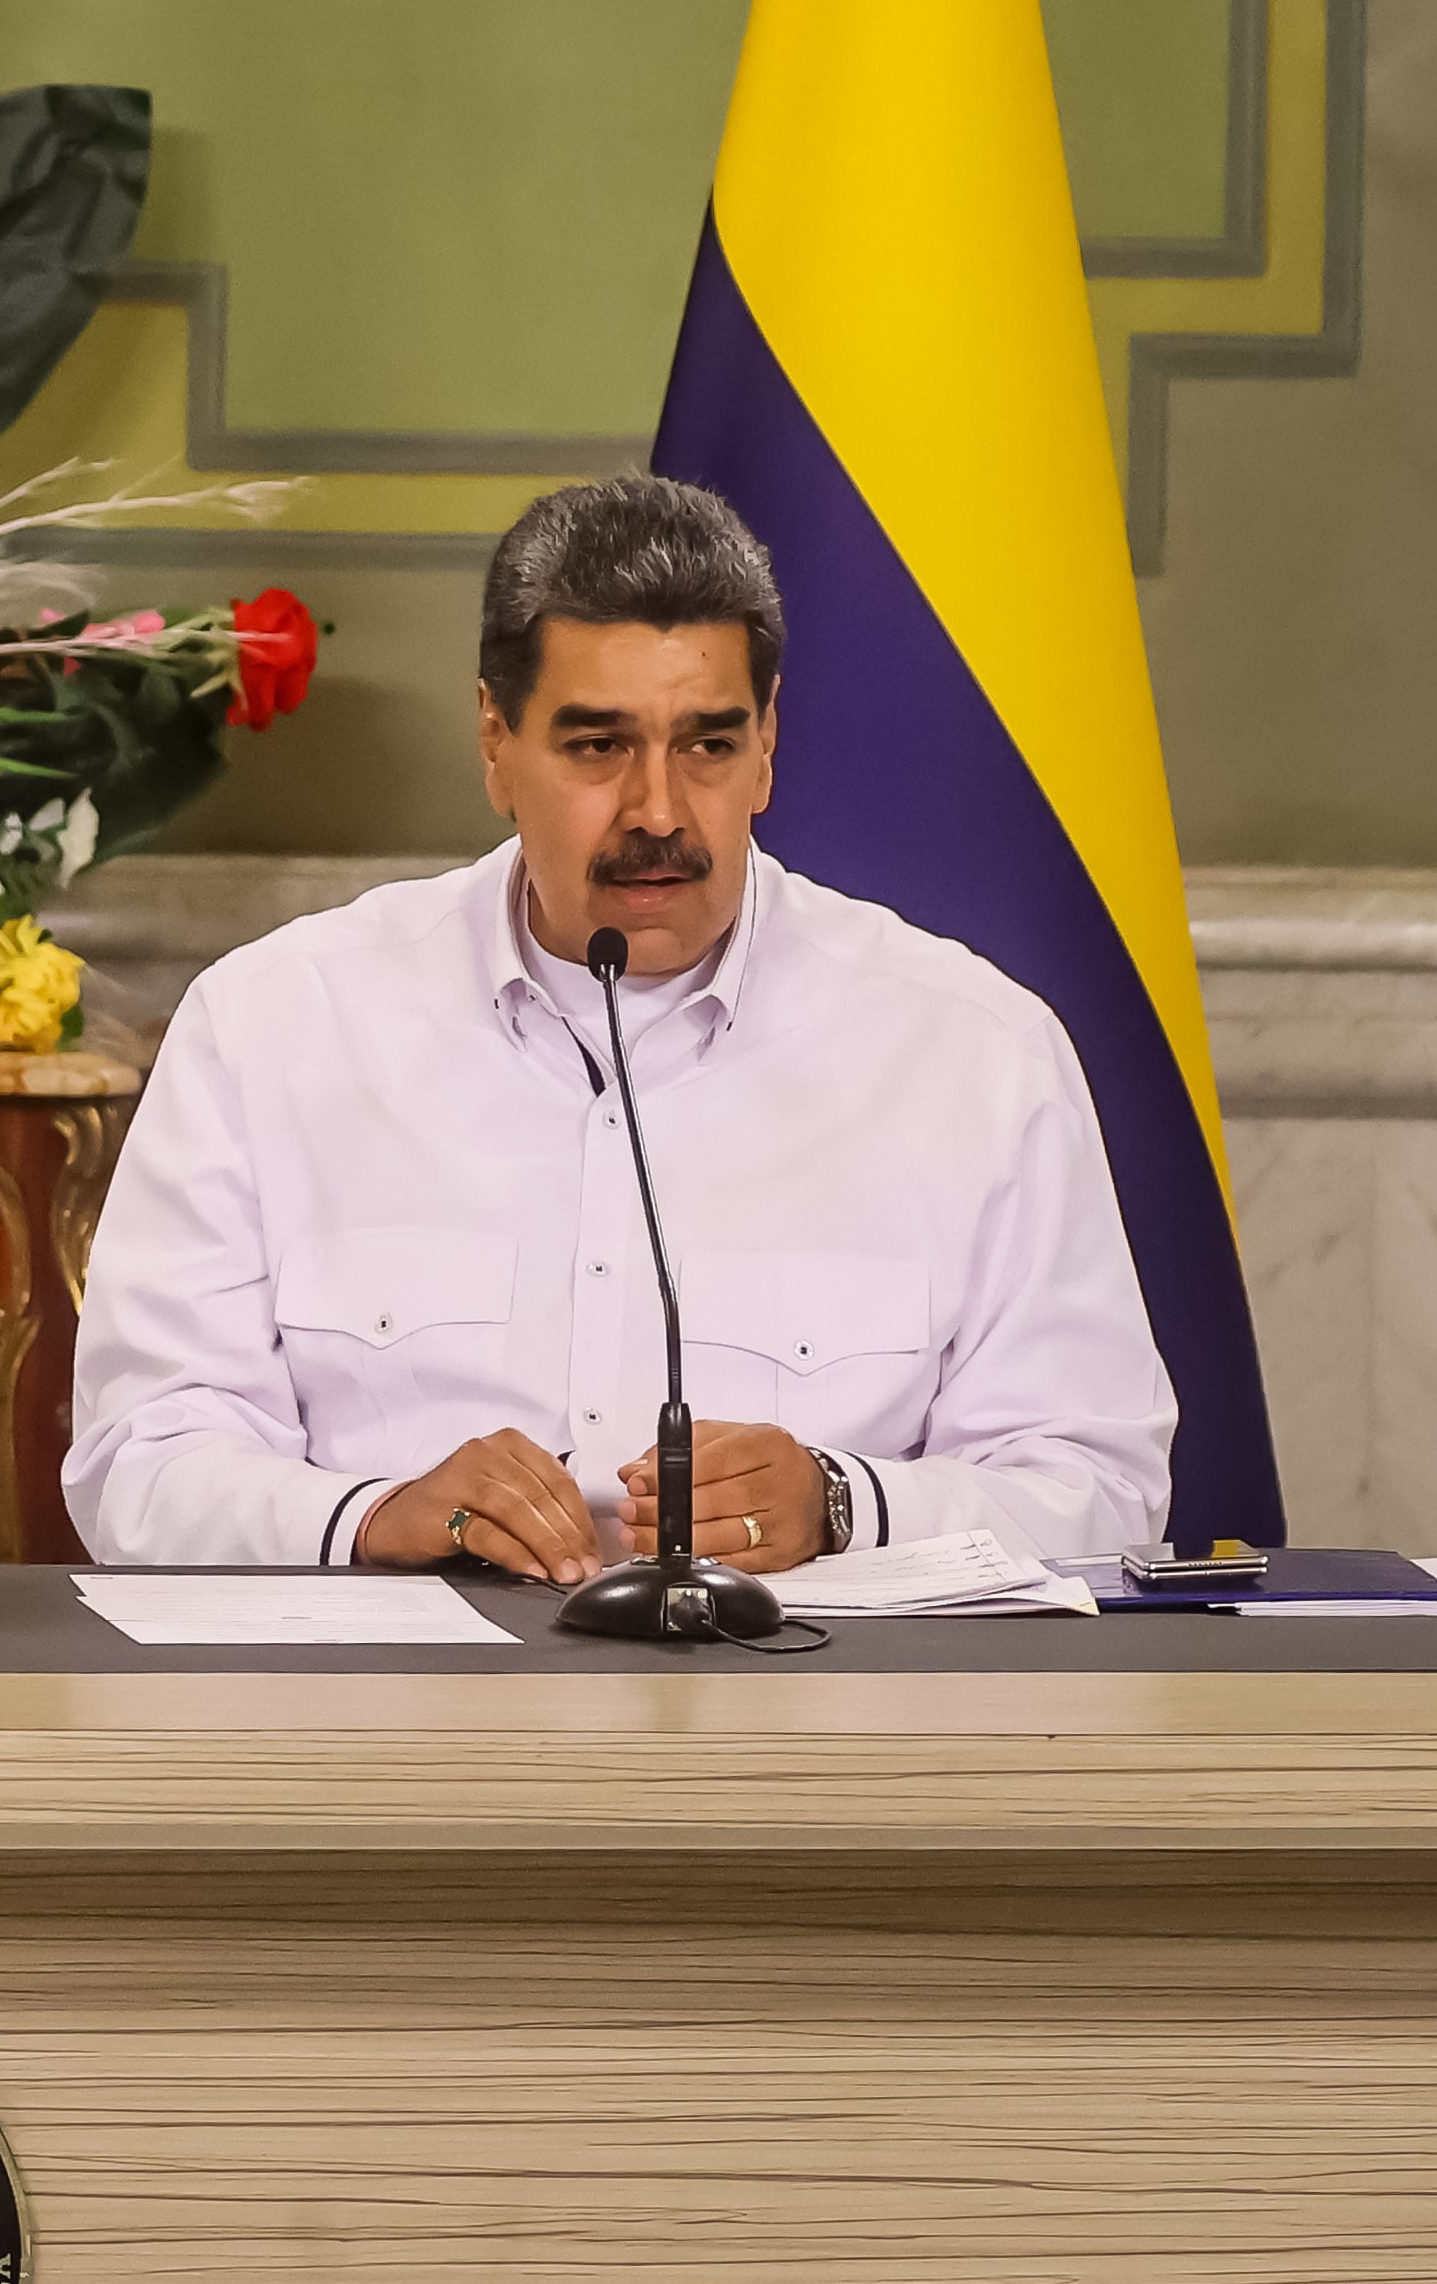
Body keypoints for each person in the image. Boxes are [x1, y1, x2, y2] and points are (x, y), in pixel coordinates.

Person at [65, 476, 1175, 1579]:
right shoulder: (273, 1027)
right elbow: (137, 1466)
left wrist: (846, 1503)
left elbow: (1103, 1492)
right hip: (404, 1733)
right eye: (597, 747)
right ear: (494, 741)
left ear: (767, 745)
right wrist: (373, 1514)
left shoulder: (971, 1052)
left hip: (805, 1733)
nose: (657, 811)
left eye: (706, 745)